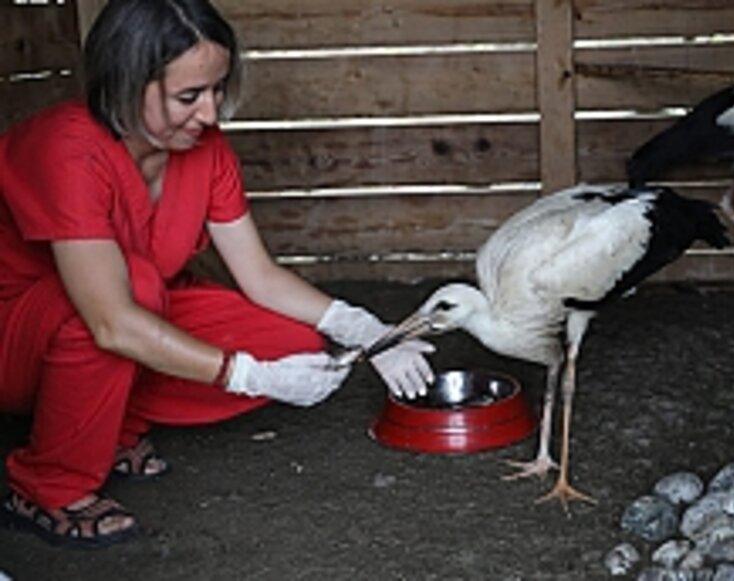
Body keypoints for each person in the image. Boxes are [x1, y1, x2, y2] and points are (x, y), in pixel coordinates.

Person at [0, 0, 434, 548]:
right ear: (126, 84)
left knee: (292, 344)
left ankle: (108, 427)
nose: (211, 113)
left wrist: (365, 330)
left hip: (130, 316)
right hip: (19, 341)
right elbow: (111, 320)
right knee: (137, 290)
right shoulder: (68, 149)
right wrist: (246, 375)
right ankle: (46, 487)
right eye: (189, 97)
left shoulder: (204, 149)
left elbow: (259, 276)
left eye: (217, 90)